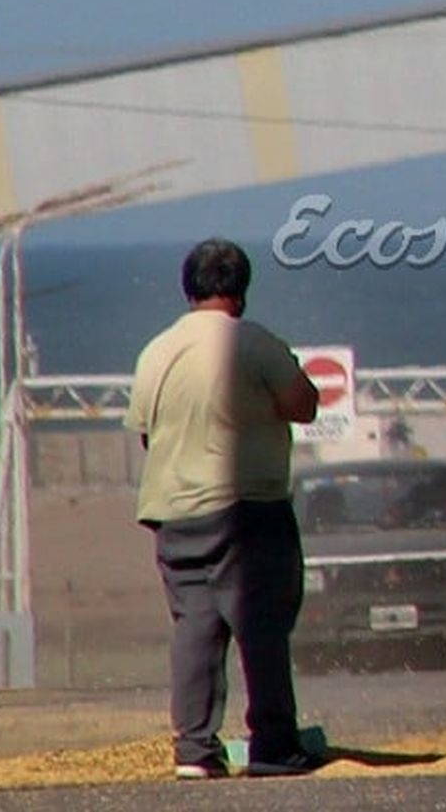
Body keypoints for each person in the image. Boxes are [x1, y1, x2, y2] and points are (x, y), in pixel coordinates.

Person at [124, 237, 324, 780]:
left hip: (173, 511)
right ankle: (273, 745)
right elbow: (304, 405)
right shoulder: (253, 343)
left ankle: (194, 749)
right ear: (241, 292)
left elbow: (146, 431)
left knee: (195, 626)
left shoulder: (155, 352)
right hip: (246, 508)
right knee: (261, 624)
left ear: (189, 290)